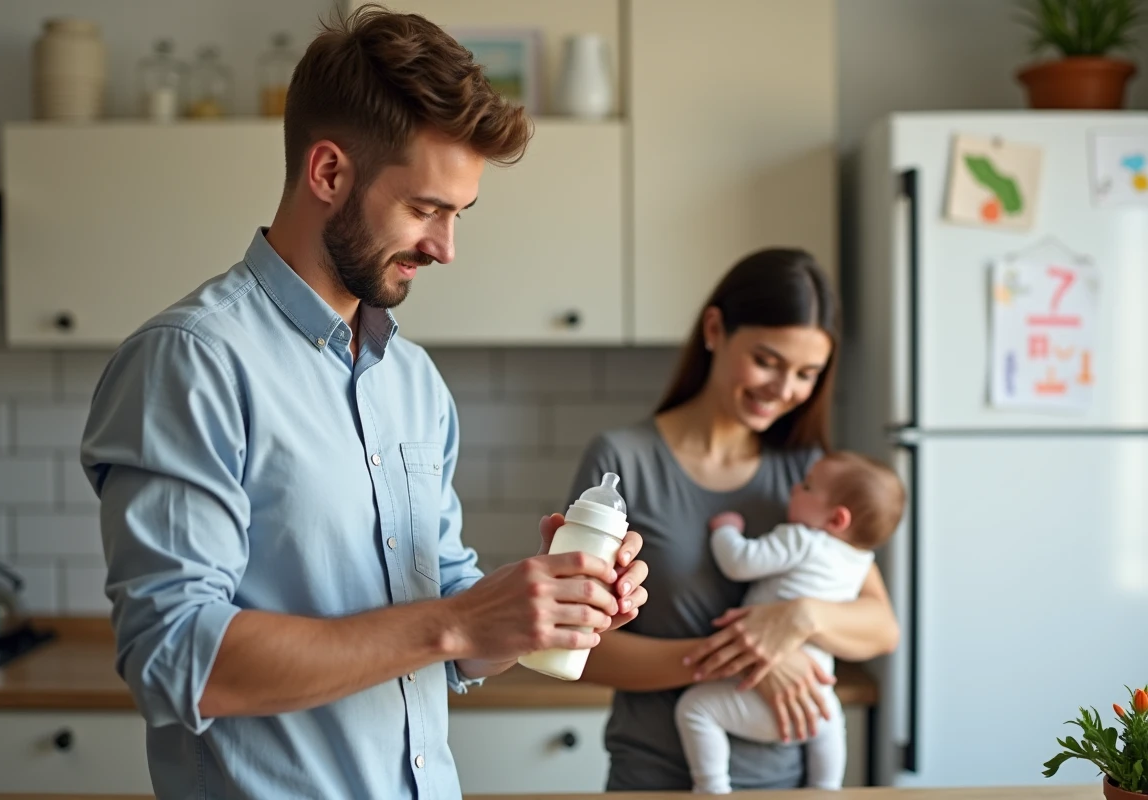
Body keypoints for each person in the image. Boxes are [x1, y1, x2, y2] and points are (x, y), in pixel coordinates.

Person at [78, 6, 648, 799]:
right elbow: (177, 661)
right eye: (425, 209)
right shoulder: (192, 362)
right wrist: (458, 621)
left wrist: (533, 605)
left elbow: (453, 641)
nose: (447, 248)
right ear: (328, 173)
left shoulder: (412, 383)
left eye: (458, 215)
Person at [566, 247, 901, 791]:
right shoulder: (622, 462)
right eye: (767, 360)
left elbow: (881, 627)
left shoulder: (810, 475)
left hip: (789, 782)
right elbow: (582, 646)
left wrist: (799, 619)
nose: (784, 389)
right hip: (656, 779)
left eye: (807, 373)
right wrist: (746, 656)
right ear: (716, 328)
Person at [675, 451, 906, 793]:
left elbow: (739, 562)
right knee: (831, 720)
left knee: (695, 708)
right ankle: (826, 787)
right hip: (813, 692)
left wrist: (726, 530)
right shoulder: (858, 562)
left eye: (808, 487)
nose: (795, 488)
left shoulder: (801, 538)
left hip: (755, 688)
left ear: (837, 519)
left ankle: (711, 787)